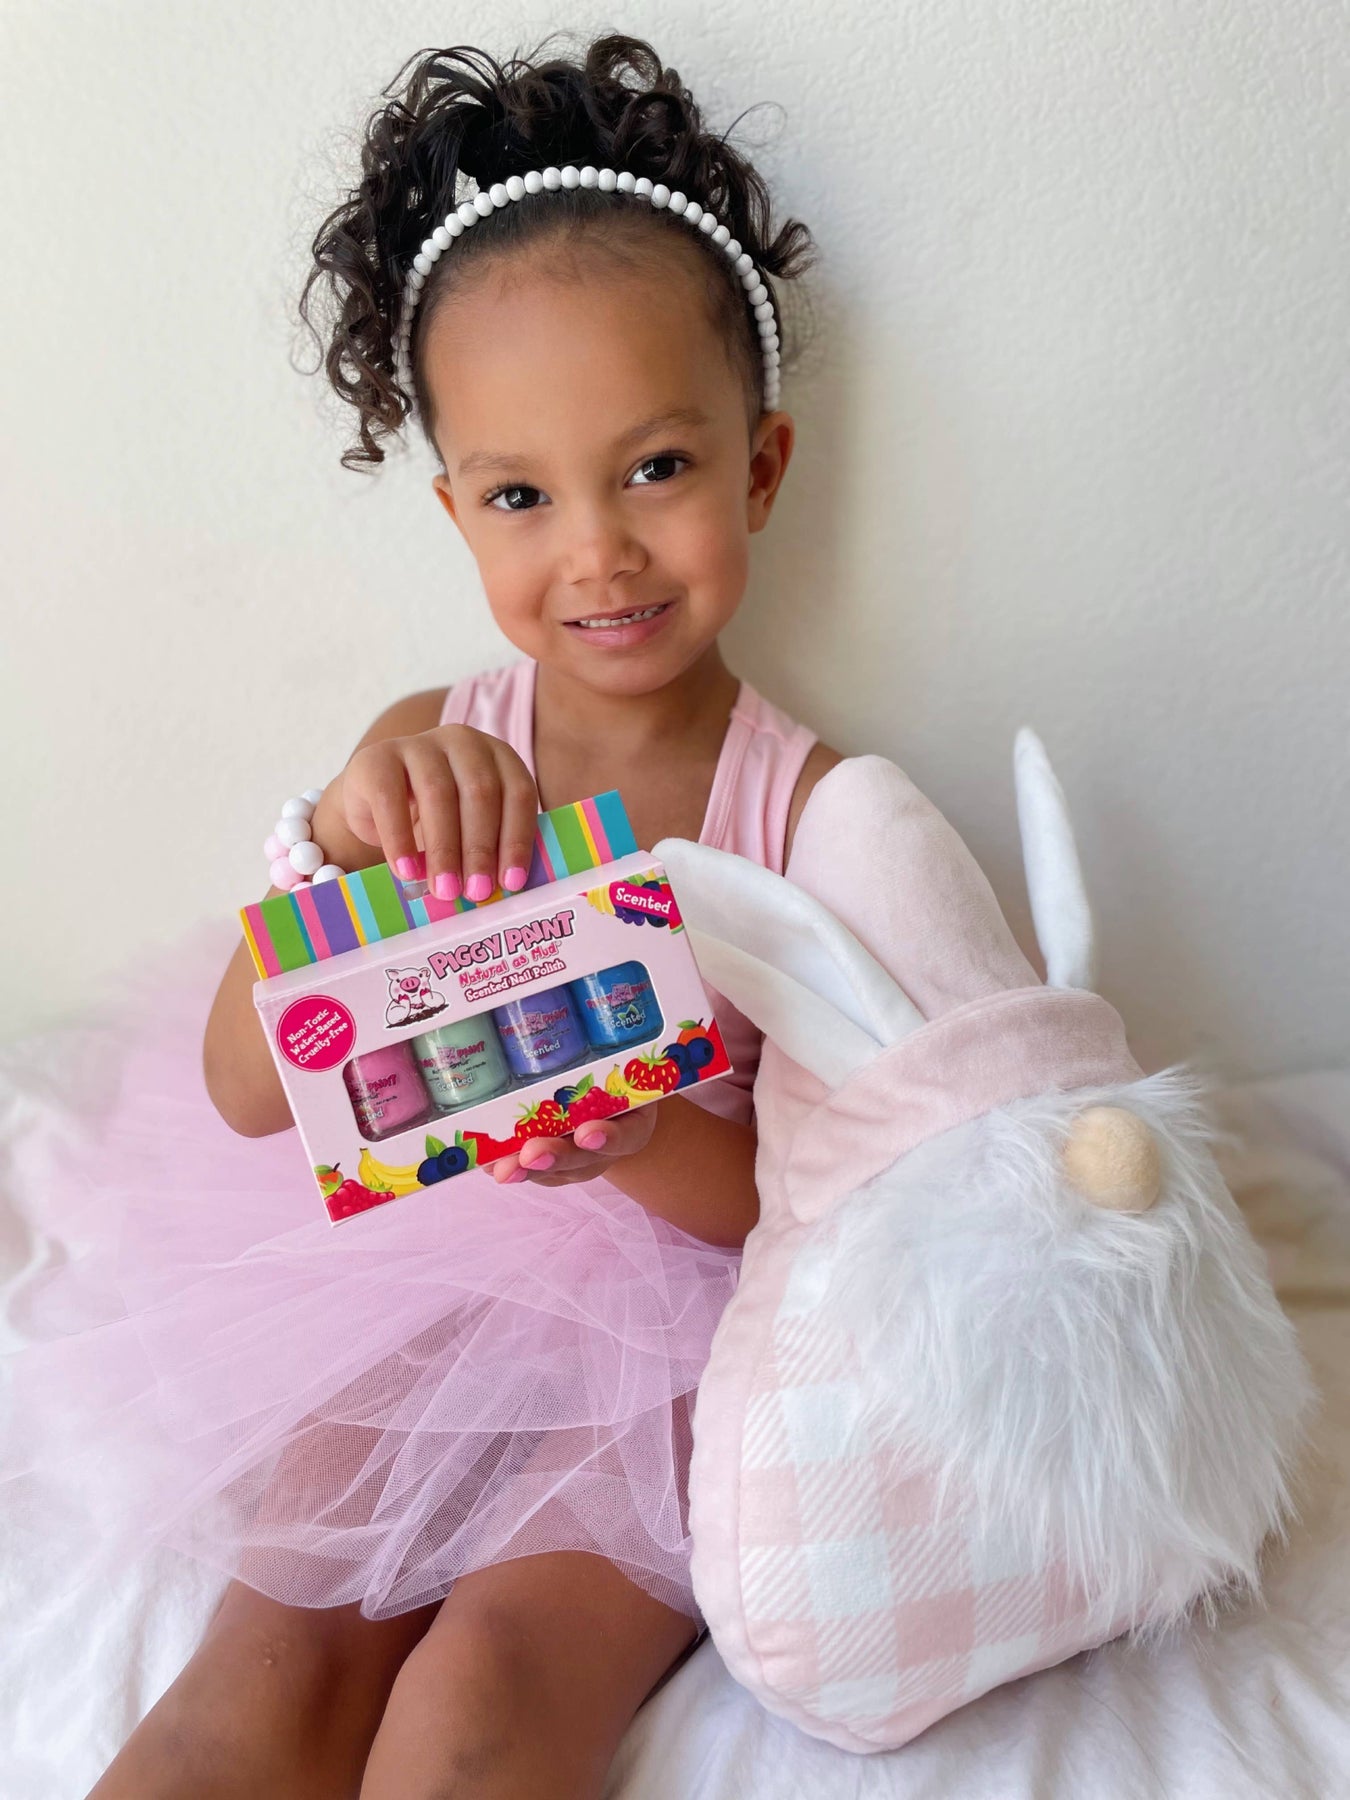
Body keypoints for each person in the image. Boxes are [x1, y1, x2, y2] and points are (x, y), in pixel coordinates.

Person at [2, 30, 845, 1799]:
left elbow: (814, 1198)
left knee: (485, 1694)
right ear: (458, 512)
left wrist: (634, 1136)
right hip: (408, 1292)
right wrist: (341, 845)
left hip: (680, 1341)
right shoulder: (428, 751)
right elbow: (252, 1089)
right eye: (522, 495)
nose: (596, 551)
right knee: (273, 1654)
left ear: (759, 469)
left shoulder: (811, 810)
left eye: (656, 468)